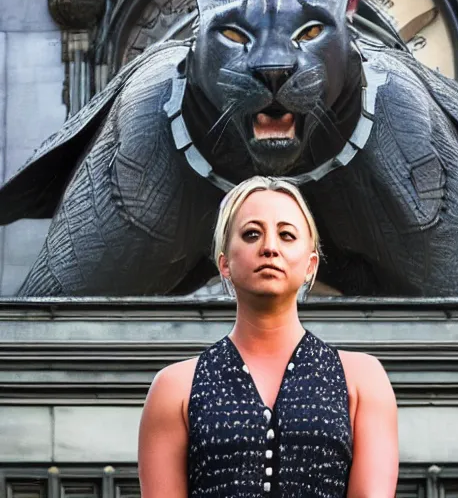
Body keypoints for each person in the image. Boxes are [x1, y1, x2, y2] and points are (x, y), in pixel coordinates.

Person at [138, 176, 398, 497]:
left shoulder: (362, 381)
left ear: (310, 265)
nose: (270, 248)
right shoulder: (175, 388)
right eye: (251, 234)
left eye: (287, 235)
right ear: (224, 263)